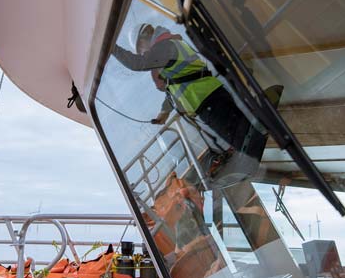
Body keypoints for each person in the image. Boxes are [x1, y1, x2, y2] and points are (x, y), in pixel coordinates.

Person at [112, 24, 278, 176]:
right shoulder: (170, 43)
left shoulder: (164, 47)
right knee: (245, 136)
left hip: (208, 102)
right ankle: (273, 160)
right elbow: (176, 84)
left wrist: (112, 48)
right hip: (211, 97)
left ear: (144, 39)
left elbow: (137, 64)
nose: (142, 52)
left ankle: (273, 169)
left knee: (245, 142)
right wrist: (164, 112)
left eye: (140, 48)